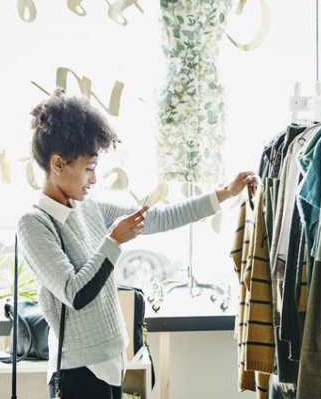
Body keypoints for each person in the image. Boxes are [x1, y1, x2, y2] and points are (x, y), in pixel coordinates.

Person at [17, 88, 259, 399]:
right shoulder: (35, 224)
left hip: (112, 364)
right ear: (58, 164)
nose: (94, 178)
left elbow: (159, 218)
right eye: (88, 167)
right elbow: (75, 293)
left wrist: (224, 193)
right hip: (77, 374)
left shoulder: (89, 209)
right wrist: (114, 241)